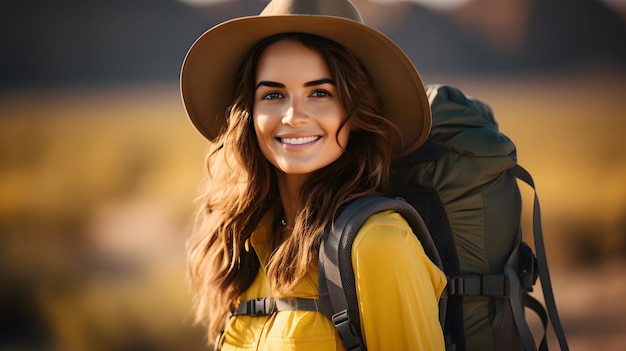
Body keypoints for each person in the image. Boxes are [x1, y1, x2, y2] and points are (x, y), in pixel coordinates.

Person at [180, 0, 447, 350]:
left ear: (355, 111)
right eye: (273, 94)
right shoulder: (243, 248)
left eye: (320, 93)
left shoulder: (379, 244)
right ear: (250, 112)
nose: (293, 116)